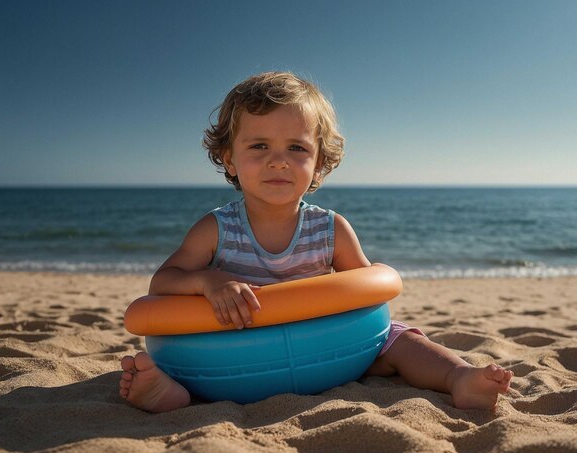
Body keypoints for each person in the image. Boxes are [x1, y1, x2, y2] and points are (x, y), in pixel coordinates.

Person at [119, 72, 513, 413]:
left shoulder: (330, 228)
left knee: (399, 337)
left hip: (323, 352)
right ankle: (168, 392)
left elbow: (366, 298)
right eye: (259, 146)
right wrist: (209, 282)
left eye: (297, 148)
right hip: (236, 355)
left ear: (319, 161)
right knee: (179, 351)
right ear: (230, 159)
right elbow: (163, 283)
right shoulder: (216, 229)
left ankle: (459, 376)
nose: (279, 161)